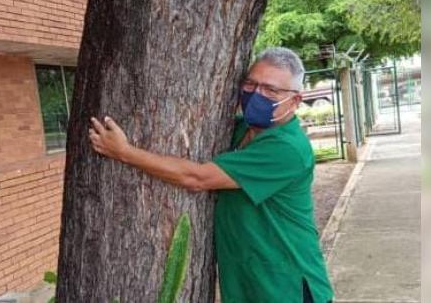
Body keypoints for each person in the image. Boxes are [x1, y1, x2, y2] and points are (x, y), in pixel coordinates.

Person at [88, 47, 334, 303]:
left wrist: (124, 152)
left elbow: (197, 179)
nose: (256, 94)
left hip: (288, 287)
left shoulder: (287, 148)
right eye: (250, 84)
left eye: (271, 90)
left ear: (295, 100)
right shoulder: (241, 130)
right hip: (253, 283)